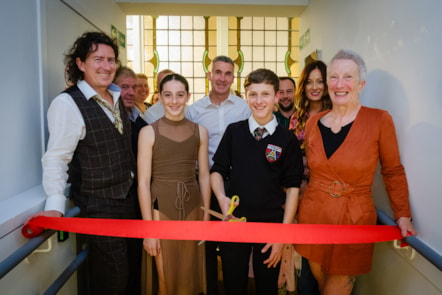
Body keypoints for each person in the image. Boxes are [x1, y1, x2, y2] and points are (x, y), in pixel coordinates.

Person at [295, 49, 417, 295]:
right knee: (320, 285)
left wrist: (403, 215)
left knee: (334, 290)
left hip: (354, 218)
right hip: (314, 214)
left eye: (347, 77)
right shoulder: (312, 122)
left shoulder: (379, 120)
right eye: (334, 77)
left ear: (361, 84)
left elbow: (392, 171)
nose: (339, 84)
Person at [27, 31, 138, 295]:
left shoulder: (116, 96)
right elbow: (56, 158)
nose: (106, 66)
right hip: (98, 204)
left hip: (127, 198)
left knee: (129, 269)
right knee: (113, 275)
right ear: (80, 64)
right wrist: (55, 206)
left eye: (111, 60)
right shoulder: (67, 104)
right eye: (98, 59)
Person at [210, 68, 304, 295]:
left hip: (270, 226)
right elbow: (217, 171)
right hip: (234, 223)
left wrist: (283, 234)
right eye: (253, 94)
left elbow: (293, 189)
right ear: (246, 96)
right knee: (233, 285)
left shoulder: (286, 139)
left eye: (265, 94)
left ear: (276, 97)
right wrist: (221, 197)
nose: (259, 101)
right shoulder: (234, 132)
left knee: (266, 287)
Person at [137, 73, 211, 295]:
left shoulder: (200, 131)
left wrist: (206, 215)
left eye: (180, 95)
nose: (174, 101)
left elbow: (205, 175)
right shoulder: (148, 132)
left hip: (193, 207)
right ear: (159, 97)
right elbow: (142, 182)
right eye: (168, 95)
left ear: (188, 96)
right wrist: (148, 229)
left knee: (188, 276)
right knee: (165, 279)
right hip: (161, 208)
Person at [187, 55, 251, 295]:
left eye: (227, 73)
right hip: (205, 184)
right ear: (209, 75)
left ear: (233, 78)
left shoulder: (244, 108)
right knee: (207, 244)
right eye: (218, 72)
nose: (222, 78)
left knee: (234, 247)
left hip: (237, 186)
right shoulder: (195, 111)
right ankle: (209, 290)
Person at [280, 60, 332, 295]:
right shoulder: (297, 117)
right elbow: (291, 158)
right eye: (309, 81)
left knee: (326, 250)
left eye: (320, 81)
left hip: (329, 193)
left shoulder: (335, 115)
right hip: (302, 192)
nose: (315, 87)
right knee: (307, 249)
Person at [114, 66, 148, 156]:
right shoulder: (111, 120)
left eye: (134, 87)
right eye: (125, 87)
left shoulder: (140, 118)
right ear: (112, 88)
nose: (131, 92)